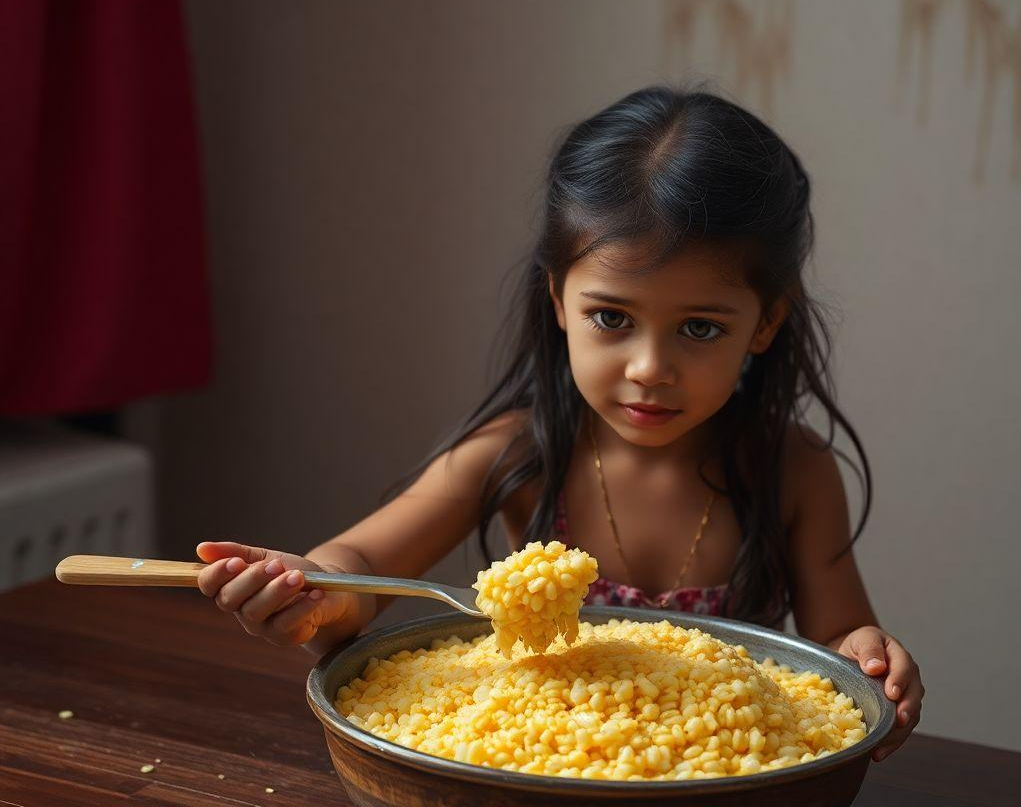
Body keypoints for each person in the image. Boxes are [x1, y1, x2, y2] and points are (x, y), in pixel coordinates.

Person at [195, 83, 923, 762]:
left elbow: (835, 654)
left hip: (715, 775)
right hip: (537, 768)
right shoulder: (520, 451)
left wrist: (872, 662)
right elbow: (360, 568)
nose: (648, 367)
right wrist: (310, 595)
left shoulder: (791, 469)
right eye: (611, 318)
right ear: (557, 299)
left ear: (764, 324)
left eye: (699, 329)